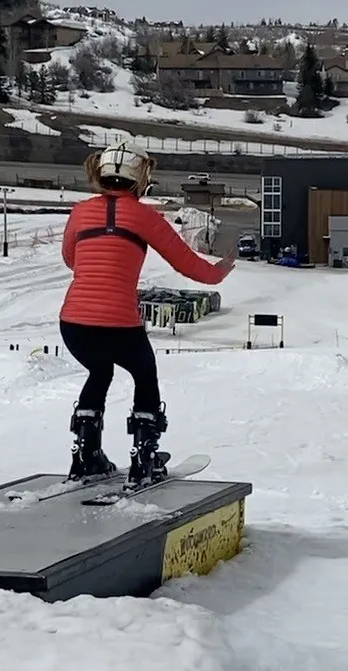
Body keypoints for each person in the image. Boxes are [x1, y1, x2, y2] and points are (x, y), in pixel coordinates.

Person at [59, 141, 235, 488]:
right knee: (144, 376)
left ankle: (86, 456)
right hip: (119, 322)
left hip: (74, 322)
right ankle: (144, 460)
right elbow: (188, 265)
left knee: (99, 371)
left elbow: (71, 259)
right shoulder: (145, 216)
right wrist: (221, 272)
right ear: (141, 178)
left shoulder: (80, 212)